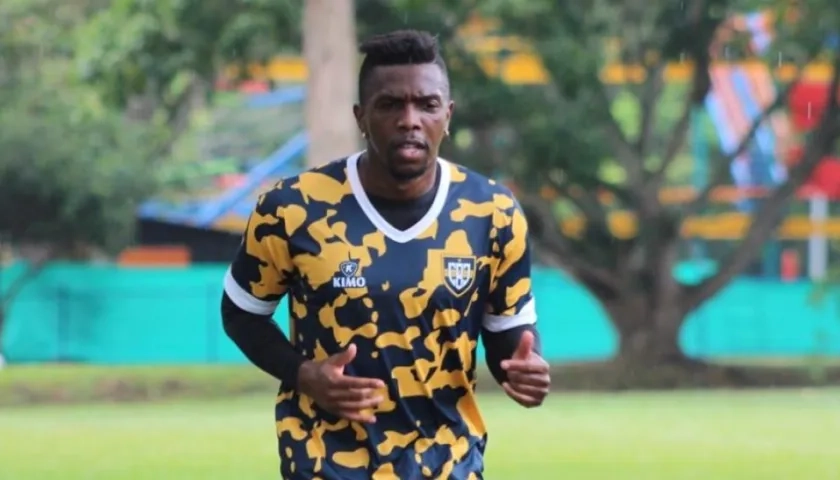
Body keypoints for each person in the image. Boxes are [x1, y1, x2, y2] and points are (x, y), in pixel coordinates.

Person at [221, 29, 550, 480]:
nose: (409, 119)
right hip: (326, 465)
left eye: (426, 105)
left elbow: (508, 335)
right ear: (361, 116)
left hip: (449, 465)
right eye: (390, 105)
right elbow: (241, 313)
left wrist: (524, 369)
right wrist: (304, 374)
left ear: (447, 115)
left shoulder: (492, 212)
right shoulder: (292, 208)